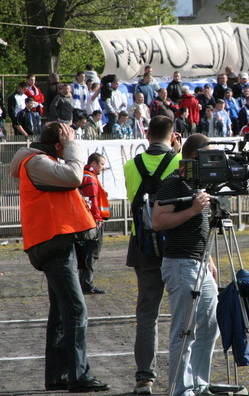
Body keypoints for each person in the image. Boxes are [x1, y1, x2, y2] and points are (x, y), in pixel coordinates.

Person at [9, 122, 109, 392]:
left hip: (55, 241)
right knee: (76, 310)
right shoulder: (37, 162)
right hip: (52, 242)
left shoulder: (40, 160)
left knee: (61, 312)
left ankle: (58, 376)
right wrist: (73, 148)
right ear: (58, 144)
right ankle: (79, 376)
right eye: (68, 140)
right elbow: (74, 176)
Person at [152, 133, 219, 396]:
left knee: (210, 326)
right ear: (194, 155)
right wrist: (192, 210)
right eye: (208, 155)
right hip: (180, 264)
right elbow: (157, 221)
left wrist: (210, 258)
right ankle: (181, 390)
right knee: (184, 330)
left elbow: (202, 226)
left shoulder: (199, 183)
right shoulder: (174, 182)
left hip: (201, 264)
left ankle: (199, 384)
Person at [124, 116, 182, 394]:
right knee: (184, 310)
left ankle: (144, 378)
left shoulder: (129, 165)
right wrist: (179, 153)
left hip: (142, 245)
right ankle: (183, 375)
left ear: (147, 134)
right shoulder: (178, 162)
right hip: (176, 243)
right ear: (172, 136)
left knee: (147, 313)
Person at [79, 153, 110, 294]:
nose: (103, 167)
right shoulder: (90, 178)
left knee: (89, 252)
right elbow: (93, 201)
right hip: (93, 221)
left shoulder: (88, 176)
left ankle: (84, 282)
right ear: (93, 164)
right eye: (101, 164)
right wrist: (97, 219)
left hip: (90, 220)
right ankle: (86, 283)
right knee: (92, 252)